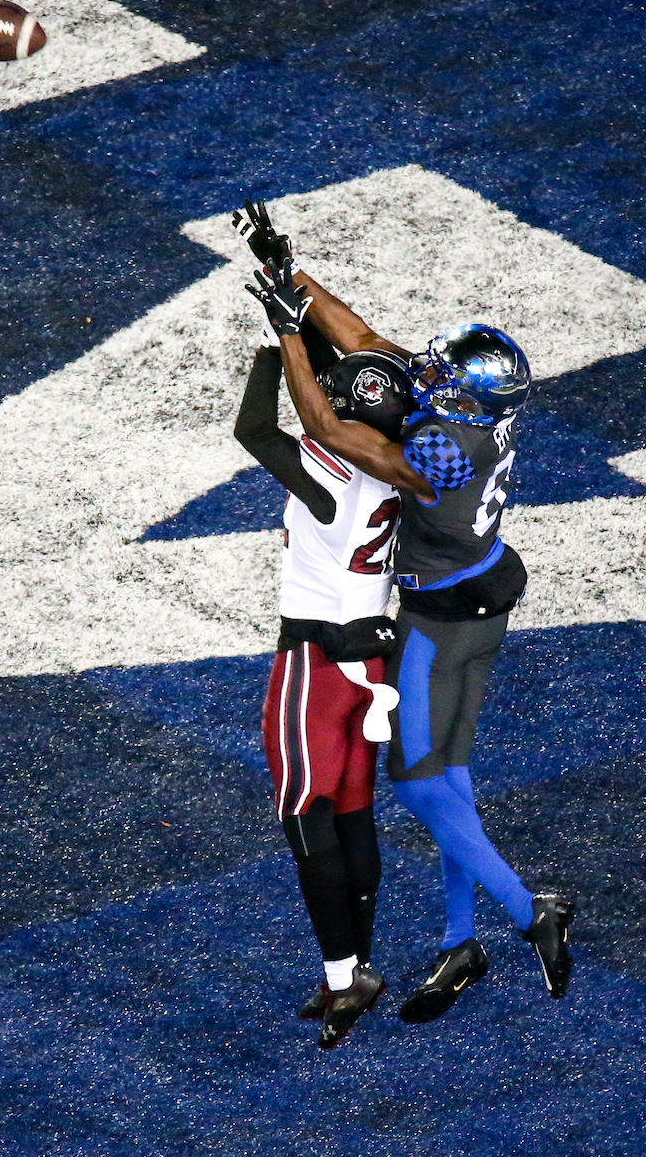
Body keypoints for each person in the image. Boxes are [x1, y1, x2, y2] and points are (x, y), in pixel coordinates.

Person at [238, 200, 575, 1025]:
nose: (427, 372)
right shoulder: (477, 422)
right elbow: (361, 340)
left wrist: (286, 335)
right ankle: (462, 938)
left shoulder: (433, 449)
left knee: (420, 788)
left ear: (465, 398)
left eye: (444, 375)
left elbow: (322, 419)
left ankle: (533, 915)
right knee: (452, 775)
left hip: (436, 619)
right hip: (484, 591)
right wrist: (291, 272)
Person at [232, 206, 436, 1048]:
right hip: (371, 664)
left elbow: (260, 425)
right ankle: (356, 968)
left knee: (307, 819)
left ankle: (344, 977)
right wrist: (290, 284)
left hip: (315, 666)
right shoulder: (407, 464)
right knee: (354, 816)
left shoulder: (330, 474)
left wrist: (269, 346)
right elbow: (345, 367)